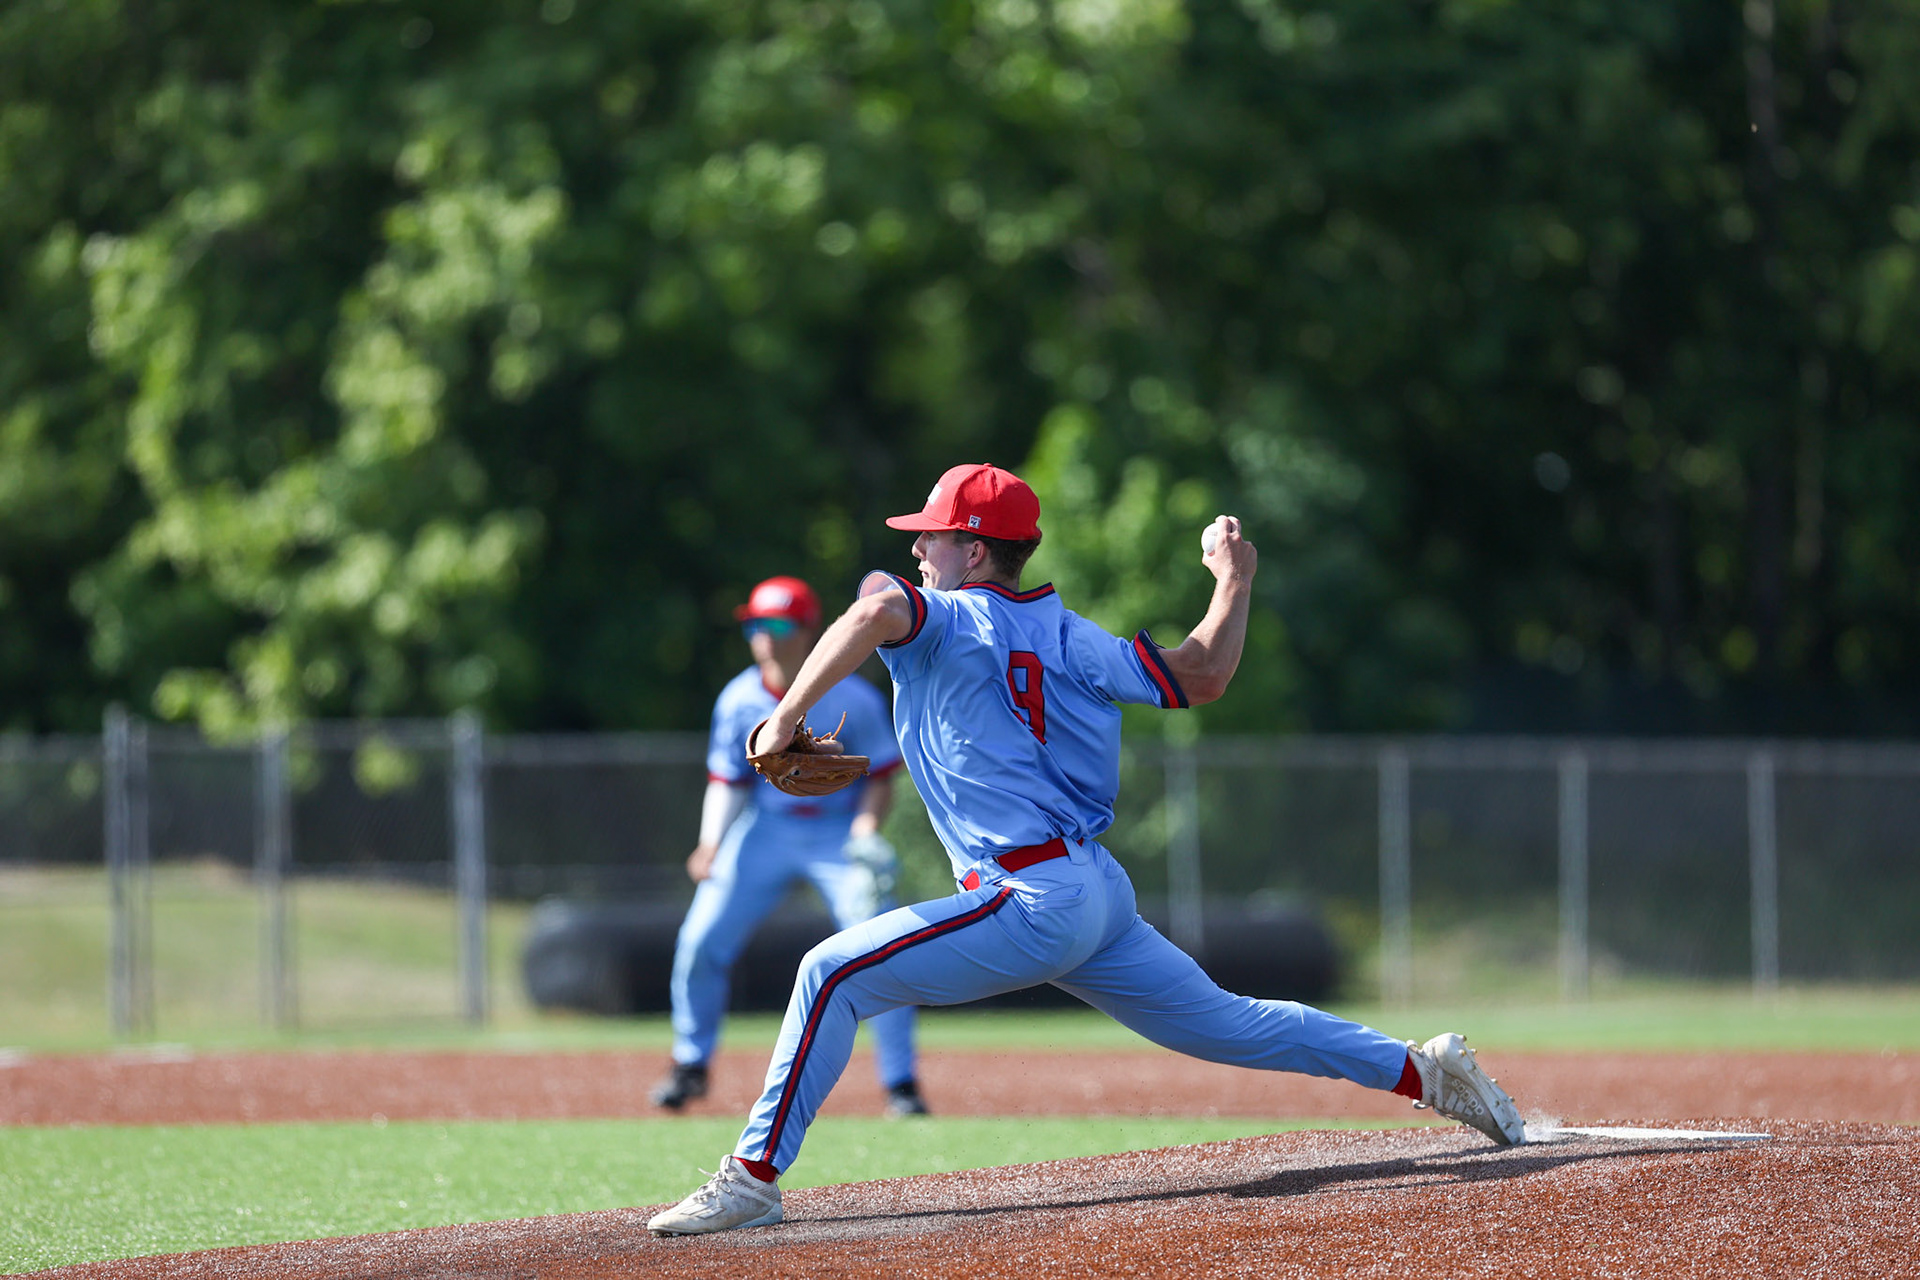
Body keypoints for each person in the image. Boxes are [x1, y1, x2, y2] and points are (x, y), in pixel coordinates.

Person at [645, 464, 1525, 1237]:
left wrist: (784, 716)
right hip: (1094, 893)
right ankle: (1427, 1072)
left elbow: (876, 607)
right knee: (1233, 1024)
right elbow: (1204, 674)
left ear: (975, 551)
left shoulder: (944, 618)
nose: (919, 549)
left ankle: (751, 1182)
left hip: (1028, 900)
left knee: (829, 972)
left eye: (934, 536)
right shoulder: (1073, 635)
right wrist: (1234, 580)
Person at [649, 574, 929, 1120]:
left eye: (776, 625)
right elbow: (727, 780)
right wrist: (710, 842)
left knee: (883, 945)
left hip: (836, 832)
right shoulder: (738, 699)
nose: (763, 636)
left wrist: (865, 831)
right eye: (756, 624)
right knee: (701, 938)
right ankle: (690, 1062)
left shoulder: (852, 696)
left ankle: (901, 1081)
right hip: (765, 829)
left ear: (806, 631)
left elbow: (881, 776)